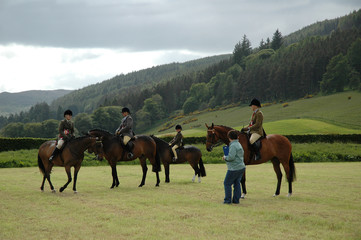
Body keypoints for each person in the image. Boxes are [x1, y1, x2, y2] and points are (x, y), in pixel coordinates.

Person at [222, 130, 246, 204]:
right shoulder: (238, 144)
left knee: (227, 183)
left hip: (234, 168)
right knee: (237, 183)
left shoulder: (233, 145)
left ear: (229, 137)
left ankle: (227, 201)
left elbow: (231, 157)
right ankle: (236, 200)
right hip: (241, 167)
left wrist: (225, 157)